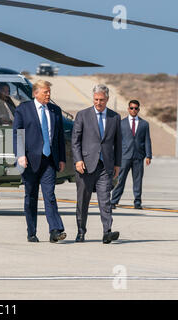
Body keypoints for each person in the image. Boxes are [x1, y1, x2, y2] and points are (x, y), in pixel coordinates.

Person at [13, 80, 67, 243]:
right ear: (35, 93)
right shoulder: (24, 109)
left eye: (49, 92)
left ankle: (55, 231)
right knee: (31, 197)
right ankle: (31, 232)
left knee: (49, 195)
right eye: (45, 92)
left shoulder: (55, 110)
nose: (48, 95)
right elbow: (17, 134)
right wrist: (20, 155)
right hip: (29, 160)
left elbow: (59, 137)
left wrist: (62, 158)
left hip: (49, 160)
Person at [71, 84, 122, 244]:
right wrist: (78, 159)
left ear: (107, 99)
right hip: (86, 165)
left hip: (105, 166)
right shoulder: (82, 115)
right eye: (96, 99)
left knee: (105, 200)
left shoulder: (115, 117)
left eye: (101, 100)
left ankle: (107, 232)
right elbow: (75, 141)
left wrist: (117, 164)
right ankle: (81, 232)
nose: (98, 102)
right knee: (83, 201)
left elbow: (118, 143)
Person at [111, 100, 152, 210]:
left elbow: (147, 140)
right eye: (132, 108)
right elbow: (117, 141)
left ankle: (137, 202)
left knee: (138, 180)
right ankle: (114, 200)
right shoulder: (121, 123)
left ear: (139, 110)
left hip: (138, 156)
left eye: (136, 108)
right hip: (124, 156)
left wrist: (148, 155)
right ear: (128, 109)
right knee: (120, 179)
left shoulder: (144, 124)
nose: (134, 110)